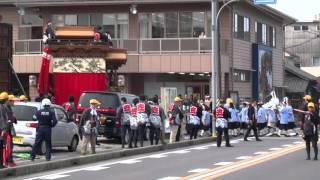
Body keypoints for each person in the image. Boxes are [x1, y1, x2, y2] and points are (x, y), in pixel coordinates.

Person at [5, 95, 17, 167]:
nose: (14, 102)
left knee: (9, 146)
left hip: (8, 129)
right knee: (9, 146)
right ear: (9, 101)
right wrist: (13, 118)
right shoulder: (7, 109)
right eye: (13, 101)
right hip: (7, 130)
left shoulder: (8, 108)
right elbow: (9, 120)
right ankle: (9, 161)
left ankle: (8, 160)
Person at [0, 92, 9, 168]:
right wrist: (3, 129)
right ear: (5, 100)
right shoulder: (1, 107)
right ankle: (0, 164)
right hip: (1, 130)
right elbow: (2, 119)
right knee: (1, 147)